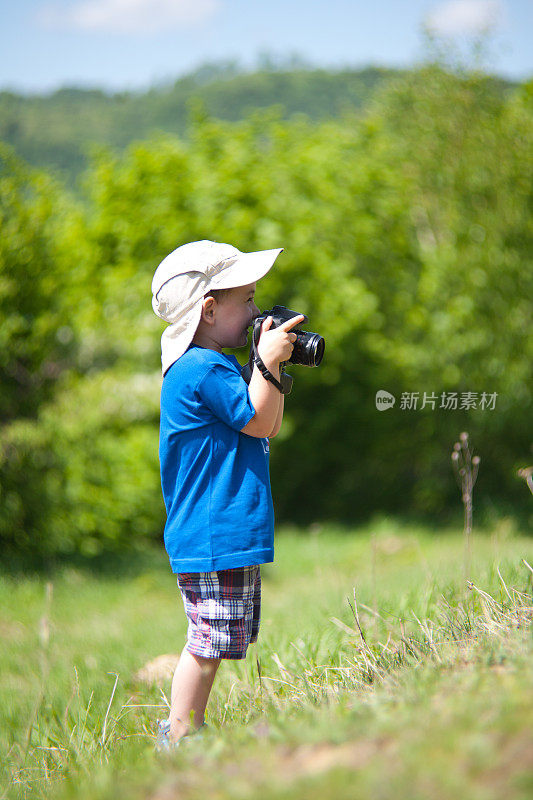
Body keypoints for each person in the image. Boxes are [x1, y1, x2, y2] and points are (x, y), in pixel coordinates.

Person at [151, 240, 304, 748]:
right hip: (213, 532)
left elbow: (266, 426)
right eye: (248, 300)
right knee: (207, 644)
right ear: (210, 310)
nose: (257, 311)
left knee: (216, 639)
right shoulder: (202, 369)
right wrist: (265, 361)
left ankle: (183, 730)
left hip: (213, 532)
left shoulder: (203, 367)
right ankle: (179, 734)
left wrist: (272, 367)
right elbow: (261, 419)